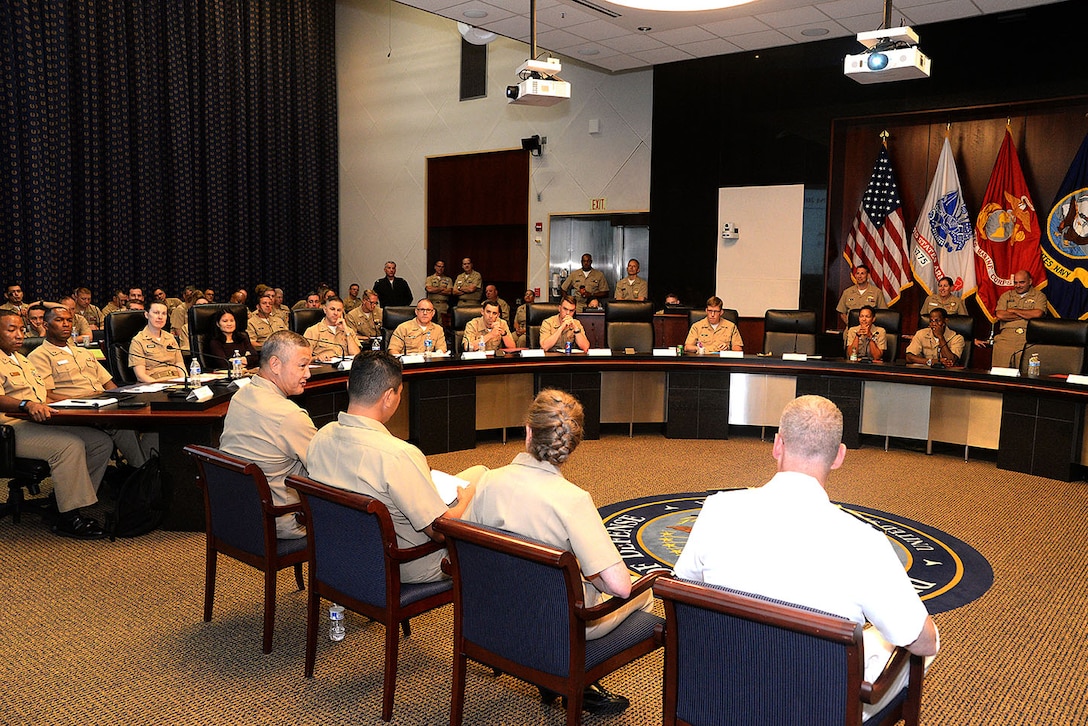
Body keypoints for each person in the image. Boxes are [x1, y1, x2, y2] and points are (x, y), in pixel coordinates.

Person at [673, 395, 939, 721]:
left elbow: (684, 588)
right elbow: (923, 642)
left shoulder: (717, 510)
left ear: (777, 445)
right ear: (839, 456)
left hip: (719, 695)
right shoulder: (865, 544)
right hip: (814, 708)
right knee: (905, 648)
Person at [465, 389, 653, 715]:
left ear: (527, 432)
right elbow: (620, 587)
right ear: (570, 448)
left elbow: (464, 551)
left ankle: (552, 678)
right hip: (555, 623)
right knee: (642, 591)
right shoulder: (573, 500)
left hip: (493, 612)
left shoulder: (486, 482)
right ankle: (570, 677)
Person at [306, 351, 484, 582]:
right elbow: (440, 532)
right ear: (389, 396)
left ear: (349, 385)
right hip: (404, 562)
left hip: (344, 552)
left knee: (478, 471)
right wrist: (467, 498)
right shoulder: (398, 454)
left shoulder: (321, 437)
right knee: (483, 487)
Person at [0, 310, 113, 539]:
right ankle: (68, 518)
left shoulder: (20, 358)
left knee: (100, 442)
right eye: (11, 330)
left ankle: (61, 501)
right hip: (9, 428)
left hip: (38, 421)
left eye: (22, 329)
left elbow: (44, 395)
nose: (19, 335)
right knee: (68, 446)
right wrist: (25, 404)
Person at [29, 305, 154, 467]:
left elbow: (109, 385)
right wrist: (84, 401)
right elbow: (47, 395)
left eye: (69, 320)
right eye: (59, 320)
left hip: (103, 406)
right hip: (76, 412)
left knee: (154, 421)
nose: (66, 324)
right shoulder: (39, 356)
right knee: (123, 428)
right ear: (45, 326)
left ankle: (147, 472)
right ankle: (145, 474)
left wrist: (123, 401)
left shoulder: (84, 352)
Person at [220, 331, 317, 539]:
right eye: (302, 365)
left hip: (239, 513)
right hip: (283, 520)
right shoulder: (290, 416)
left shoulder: (240, 395)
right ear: (275, 365)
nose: (308, 374)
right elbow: (326, 471)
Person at [991, 269, 1047, 369]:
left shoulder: (1039, 296)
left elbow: (1037, 313)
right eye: (1015, 282)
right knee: (1000, 374)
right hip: (1006, 337)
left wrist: (1013, 310)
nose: (1018, 285)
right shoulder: (1006, 296)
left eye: (1022, 282)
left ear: (1030, 281)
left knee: (1025, 373)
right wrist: (1027, 313)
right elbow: (1000, 315)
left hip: (1027, 337)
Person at [129, 300, 184, 382]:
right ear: (147, 315)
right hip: (154, 383)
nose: (160, 317)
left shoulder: (170, 337)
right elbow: (140, 376)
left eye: (164, 313)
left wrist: (185, 382)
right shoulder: (138, 341)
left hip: (176, 381)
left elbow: (180, 365)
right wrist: (160, 386)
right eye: (156, 313)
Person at [303, 297, 361, 362]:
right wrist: (316, 358)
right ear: (325, 310)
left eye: (339, 310)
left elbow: (356, 356)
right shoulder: (313, 331)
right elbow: (302, 358)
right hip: (324, 370)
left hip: (345, 369)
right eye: (332, 309)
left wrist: (347, 331)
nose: (336, 313)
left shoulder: (349, 331)